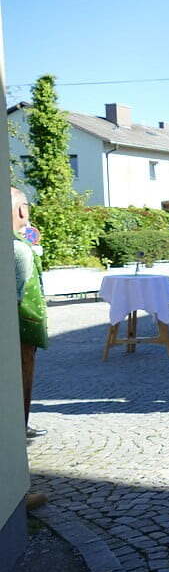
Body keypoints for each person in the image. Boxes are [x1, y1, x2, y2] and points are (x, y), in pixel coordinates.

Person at [11, 187, 49, 512]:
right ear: (21, 211)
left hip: (19, 337)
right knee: (17, 411)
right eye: (25, 207)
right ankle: (18, 491)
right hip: (21, 339)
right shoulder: (18, 250)